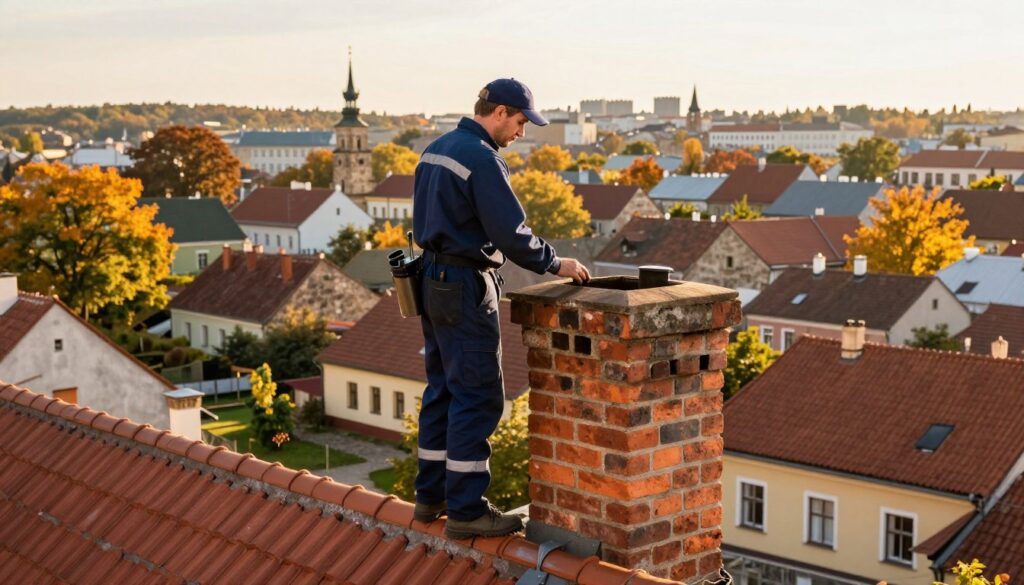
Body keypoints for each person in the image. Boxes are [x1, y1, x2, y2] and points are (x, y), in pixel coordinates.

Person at [411, 78, 591, 539]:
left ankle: (431, 497)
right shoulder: (482, 159)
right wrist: (556, 262)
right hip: (466, 284)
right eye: (520, 122)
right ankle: (468, 509)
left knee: (443, 389)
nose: (522, 132)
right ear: (500, 112)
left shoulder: (436, 149)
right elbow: (511, 234)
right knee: (477, 393)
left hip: (430, 280)